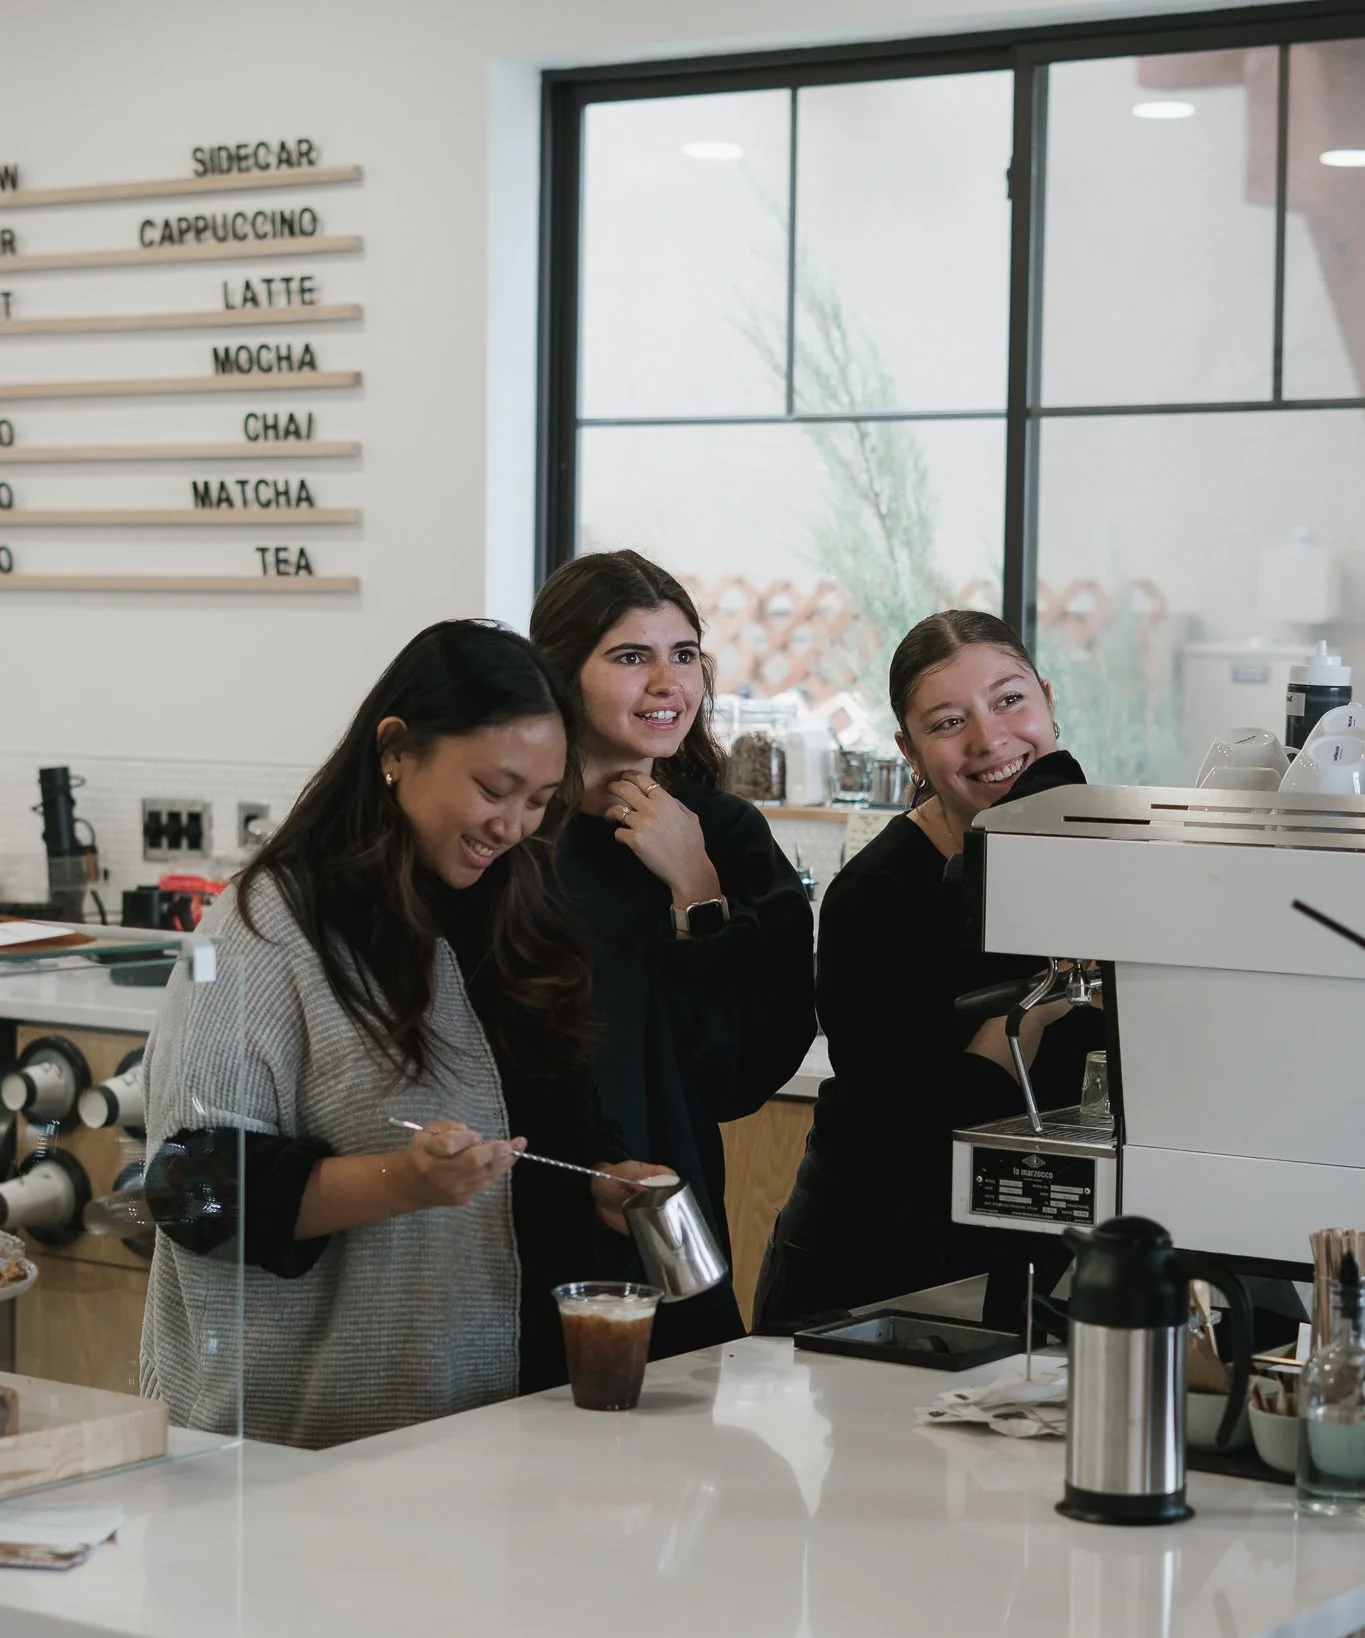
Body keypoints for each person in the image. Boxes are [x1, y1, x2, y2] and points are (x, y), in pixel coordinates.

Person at [141, 620, 667, 1449]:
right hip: (324, 1449)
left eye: (538, 800)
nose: (514, 826)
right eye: (493, 789)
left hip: (512, 1420)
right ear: (396, 749)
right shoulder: (265, 927)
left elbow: (535, 1140)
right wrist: (403, 1182)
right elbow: (191, 1191)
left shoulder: (518, 910)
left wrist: (594, 1181)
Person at [753, 608, 1104, 1332]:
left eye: (1010, 700)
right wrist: (1039, 1002)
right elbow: (926, 1126)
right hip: (874, 1270)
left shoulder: (1101, 858)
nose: (990, 740)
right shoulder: (873, 901)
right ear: (907, 751)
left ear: (1047, 699)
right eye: (947, 723)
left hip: (1035, 1259)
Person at [530, 550, 817, 1353]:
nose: (668, 683)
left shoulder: (726, 838)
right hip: (512, 1223)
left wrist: (694, 890)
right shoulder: (507, 837)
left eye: (684, 655)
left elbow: (742, 1073)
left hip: (667, 1228)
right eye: (631, 657)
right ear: (560, 671)